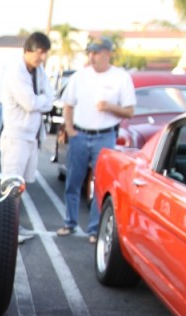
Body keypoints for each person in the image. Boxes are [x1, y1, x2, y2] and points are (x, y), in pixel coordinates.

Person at [57, 37, 135, 244]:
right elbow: (68, 104)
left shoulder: (121, 78)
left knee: (100, 183)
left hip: (105, 135)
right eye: (90, 52)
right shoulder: (80, 76)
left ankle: (94, 229)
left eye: (97, 52)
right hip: (81, 134)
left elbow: (129, 111)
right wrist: (71, 128)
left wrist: (111, 107)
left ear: (108, 54)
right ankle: (70, 222)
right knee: (73, 180)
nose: (92, 57)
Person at [0, 32, 54, 244]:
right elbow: (30, 103)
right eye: (39, 53)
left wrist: (40, 101)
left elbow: (49, 98)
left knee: (22, 185)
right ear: (28, 51)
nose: (41, 58)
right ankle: (6, 229)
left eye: (44, 53)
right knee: (11, 184)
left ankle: (14, 226)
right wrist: (41, 101)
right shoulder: (16, 71)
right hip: (16, 136)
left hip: (31, 135)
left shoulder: (38, 71)